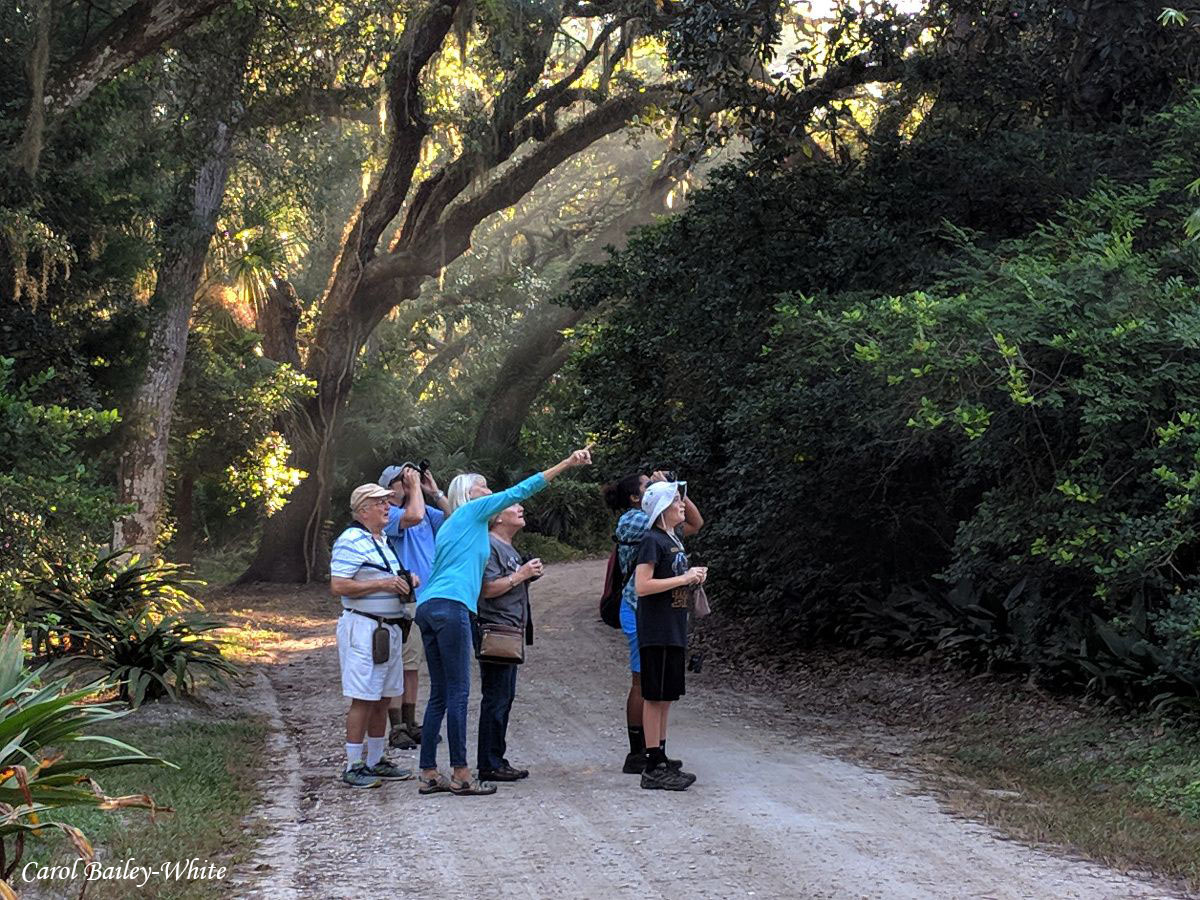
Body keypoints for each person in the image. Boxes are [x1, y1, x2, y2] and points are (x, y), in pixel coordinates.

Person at [415, 446, 593, 796]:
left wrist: (435, 492)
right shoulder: (474, 513)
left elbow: (450, 504)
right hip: (452, 607)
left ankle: (428, 771)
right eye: (483, 487)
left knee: (438, 693)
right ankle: (462, 773)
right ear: (472, 495)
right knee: (458, 691)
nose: (490, 491)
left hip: (428, 607)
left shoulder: (458, 522)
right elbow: (521, 490)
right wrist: (567, 463)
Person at [604, 470, 703, 775]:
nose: (654, 484)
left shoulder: (666, 532)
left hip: (664, 614)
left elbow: (694, 524)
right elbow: (660, 517)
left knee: (660, 687)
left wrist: (677, 489)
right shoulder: (637, 522)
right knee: (645, 683)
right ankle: (642, 753)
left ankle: (653, 750)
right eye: (649, 485)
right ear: (638, 498)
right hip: (639, 609)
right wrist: (668, 491)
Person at [329, 484, 418, 788]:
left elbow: (386, 578)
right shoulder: (351, 540)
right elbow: (339, 585)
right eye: (380, 502)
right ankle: (353, 764)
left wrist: (406, 581)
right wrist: (384, 585)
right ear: (363, 509)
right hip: (365, 627)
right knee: (363, 697)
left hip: (389, 629)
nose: (388, 506)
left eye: (387, 502)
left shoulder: (381, 540)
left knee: (382, 697)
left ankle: (376, 760)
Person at [634, 480, 707, 791]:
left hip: (674, 626)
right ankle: (652, 765)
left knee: (666, 697)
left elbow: (696, 521)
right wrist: (683, 578)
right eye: (677, 499)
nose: (682, 504)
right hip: (657, 628)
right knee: (654, 697)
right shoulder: (652, 540)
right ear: (662, 507)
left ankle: (661, 754)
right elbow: (642, 586)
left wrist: (691, 580)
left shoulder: (672, 539)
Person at [378, 461, 452, 750]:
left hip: (428, 598)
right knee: (398, 664)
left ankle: (410, 721)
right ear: (390, 488)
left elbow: (453, 518)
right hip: (403, 601)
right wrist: (413, 491)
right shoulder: (392, 514)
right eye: (403, 479)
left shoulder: (424, 511)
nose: (410, 482)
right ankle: (396, 725)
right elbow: (414, 515)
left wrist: (434, 491)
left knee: (412, 666)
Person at [476, 502, 543, 781]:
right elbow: (487, 588)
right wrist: (522, 575)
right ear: (497, 517)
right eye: (512, 505)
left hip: (510, 630)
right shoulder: (490, 546)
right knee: (496, 697)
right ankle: (489, 764)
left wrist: (527, 576)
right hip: (496, 630)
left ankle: (495, 759)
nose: (520, 507)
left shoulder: (507, 546)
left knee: (504, 696)